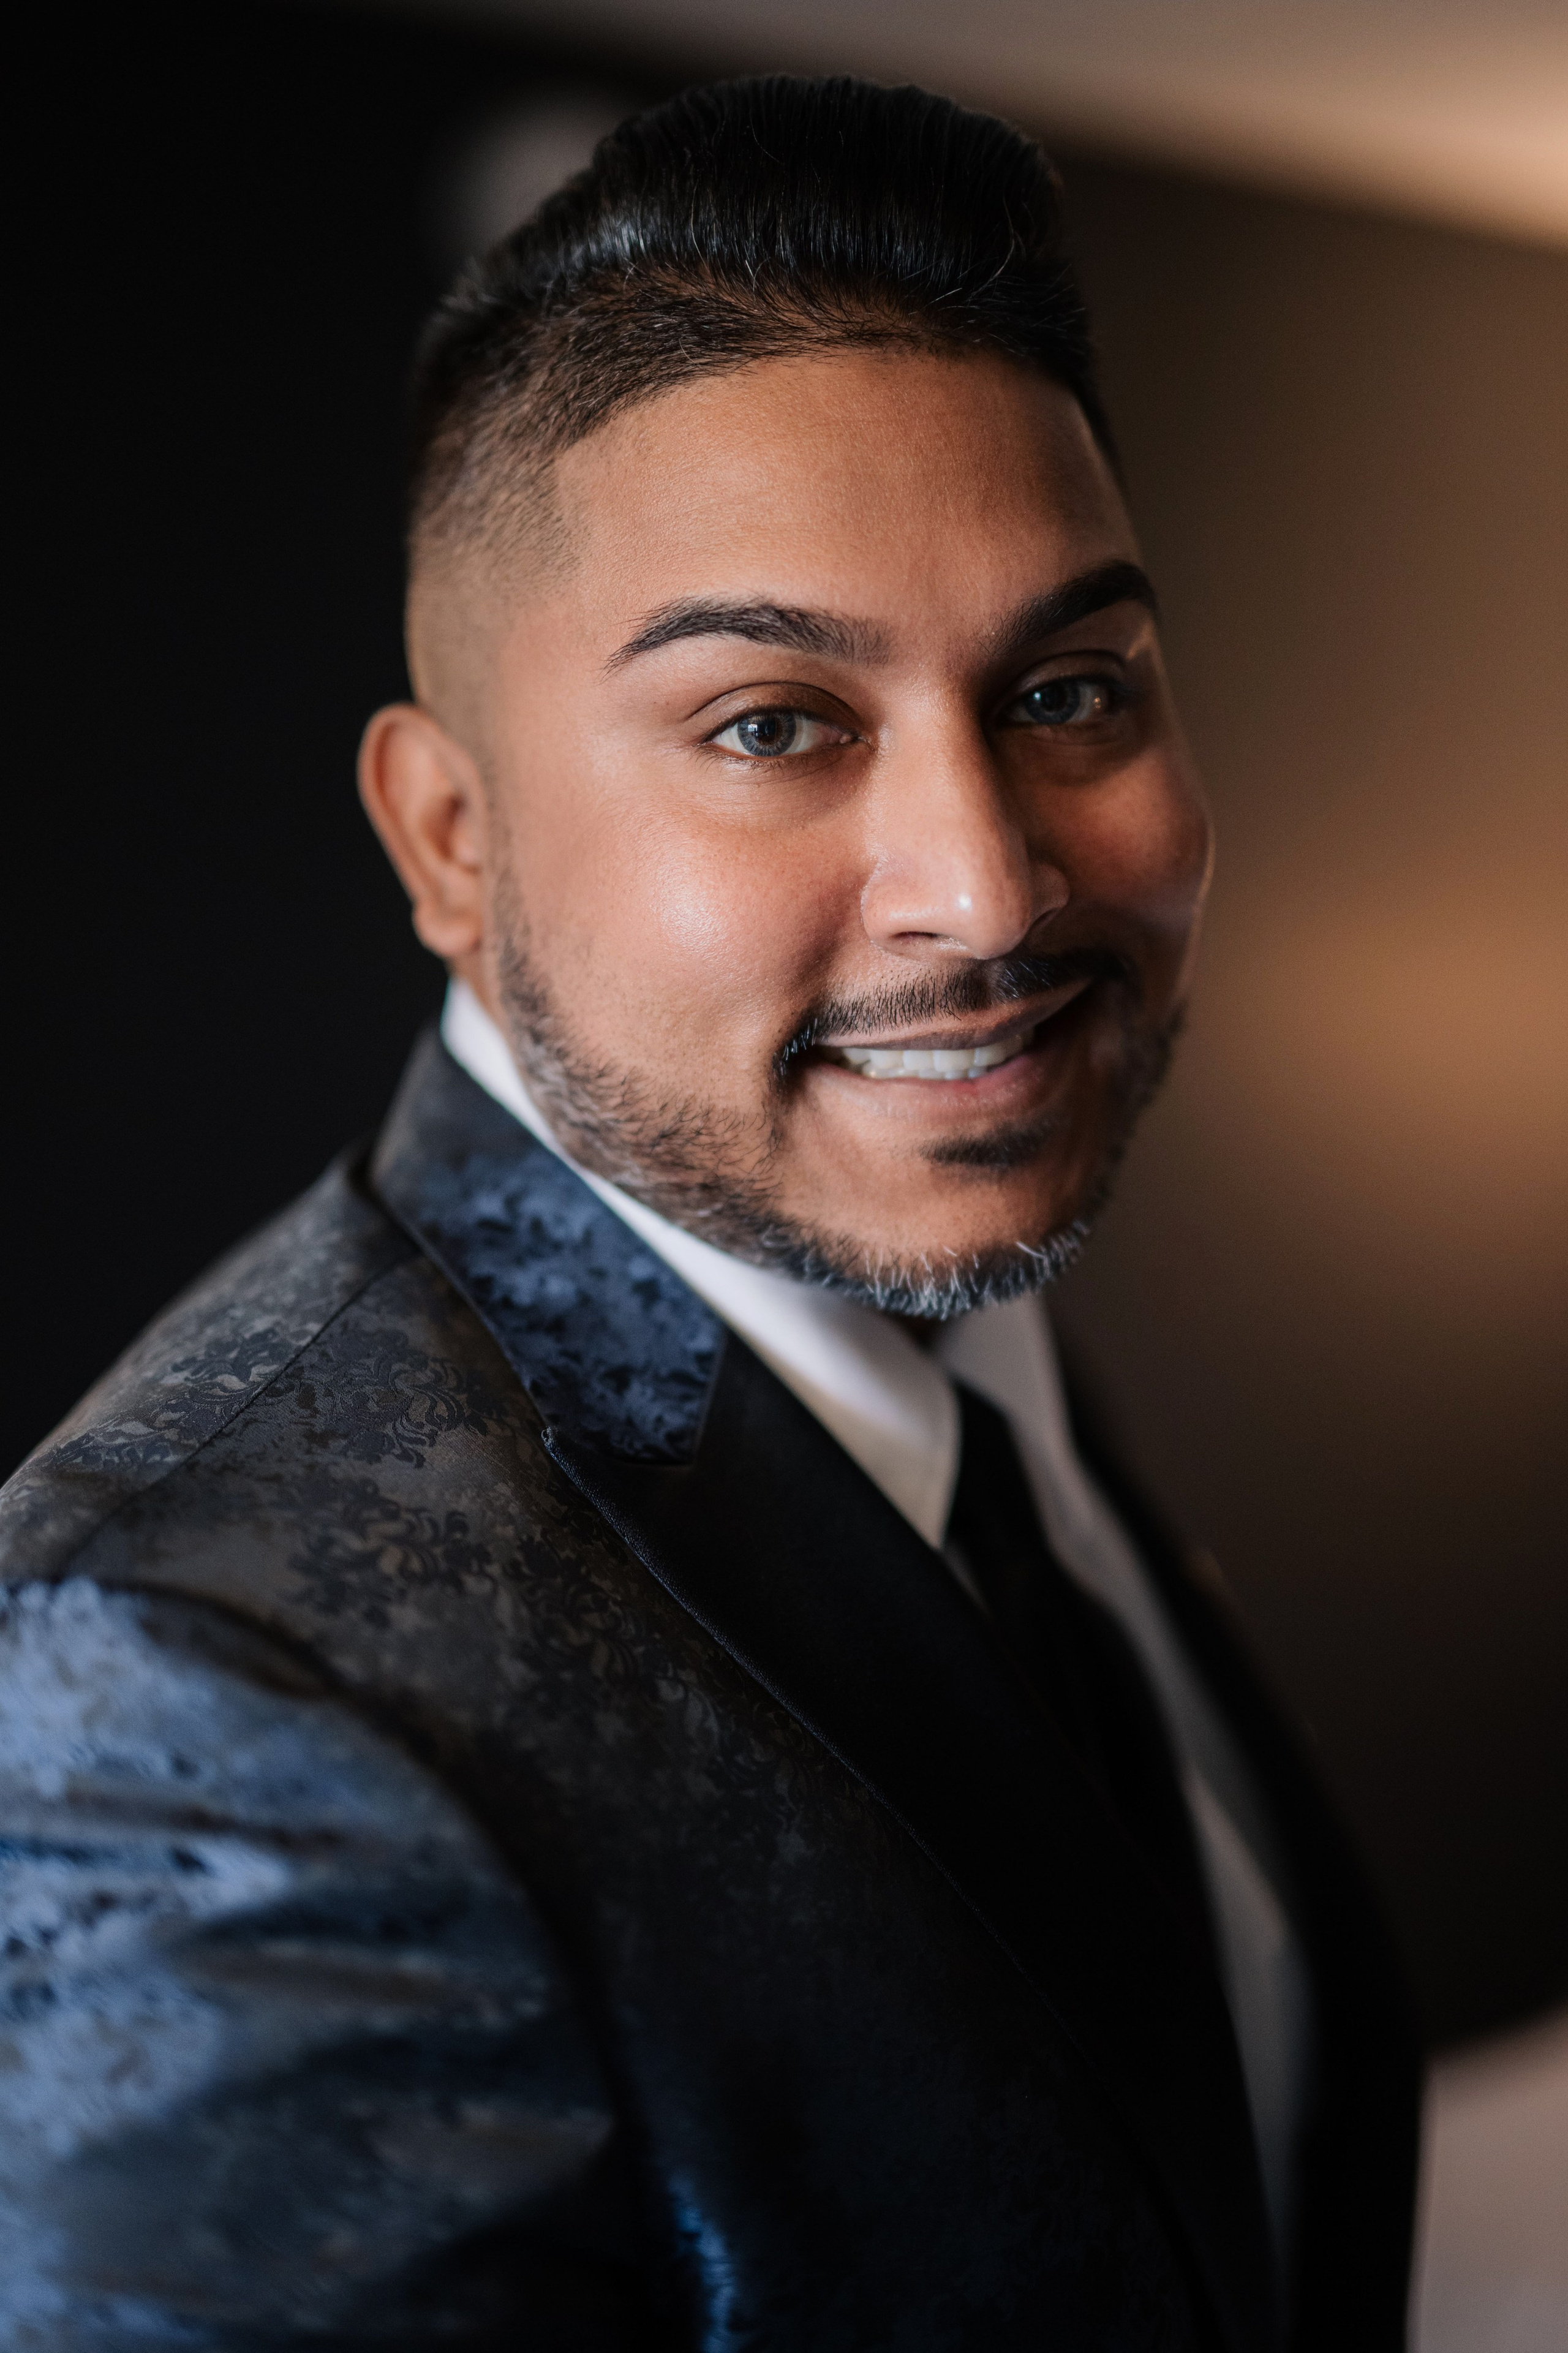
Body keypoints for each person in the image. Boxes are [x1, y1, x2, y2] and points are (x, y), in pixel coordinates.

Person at [0, 74, 1418, 2352]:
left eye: (1071, 690)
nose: (992, 887)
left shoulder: (959, 1328)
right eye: (773, 724)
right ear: (450, 837)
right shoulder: (181, 1692)